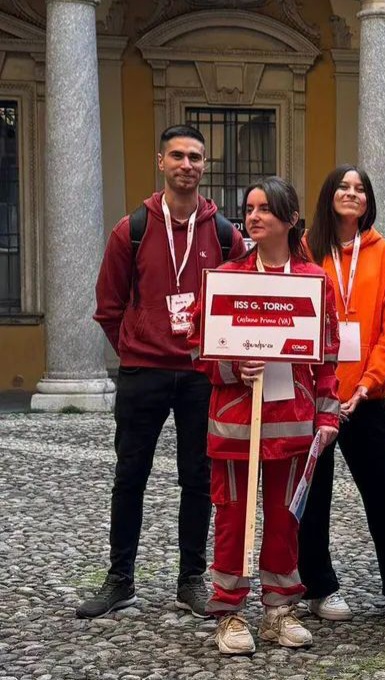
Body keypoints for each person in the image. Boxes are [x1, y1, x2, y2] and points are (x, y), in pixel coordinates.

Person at [84, 124, 244, 619]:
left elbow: (240, 296)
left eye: (195, 157)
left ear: (203, 166)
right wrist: (135, 348)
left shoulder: (223, 233)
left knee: (198, 478)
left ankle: (191, 579)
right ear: (161, 162)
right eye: (177, 155)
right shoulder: (131, 228)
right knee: (130, 475)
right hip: (144, 373)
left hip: (200, 374)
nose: (187, 165)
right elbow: (108, 306)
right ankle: (120, 580)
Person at [189, 176, 340, 655]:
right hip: (236, 424)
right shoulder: (226, 278)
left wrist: (328, 415)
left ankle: (279, 608)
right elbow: (200, 346)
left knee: (284, 519)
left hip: (293, 423)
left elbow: (329, 356)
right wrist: (234, 364)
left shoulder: (315, 282)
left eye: (265, 209)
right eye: (249, 208)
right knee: (232, 518)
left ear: (290, 219)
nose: (253, 217)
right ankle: (229, 611)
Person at [297, 166, 385, 621]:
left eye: (360, 189)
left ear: (368, 201)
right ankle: (318, 586)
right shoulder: (306, 249)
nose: (352, 194)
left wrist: (370, 382)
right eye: (343, 187)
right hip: (314, 398)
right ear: (329, 196)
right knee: (313, 495)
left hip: (364, 399)